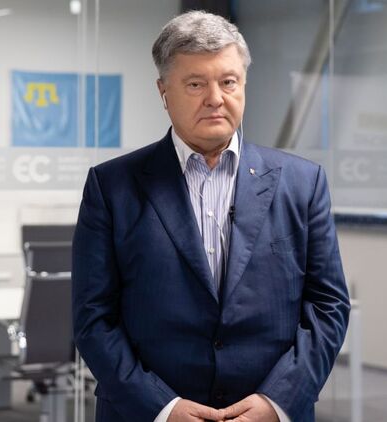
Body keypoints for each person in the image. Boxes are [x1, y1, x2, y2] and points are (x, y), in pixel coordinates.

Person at [72, 10, 350, 422]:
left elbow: (328, 306)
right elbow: (93, 319)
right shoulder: (112, 187)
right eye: (196, 84)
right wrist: (162, 408)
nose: (215, 98)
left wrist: (277, 402)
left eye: (228, 82)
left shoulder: (302, 183)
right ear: (164, 92)